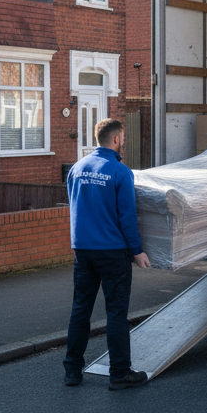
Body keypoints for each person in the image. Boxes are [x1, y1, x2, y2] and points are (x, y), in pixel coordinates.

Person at [64, 118, 152, 390]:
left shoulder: (76, 168)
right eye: (123, 137)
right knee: (116, 313)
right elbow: (127, 217)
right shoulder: (120, 172)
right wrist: (137, 251)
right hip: (112, 252)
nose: (123, 141)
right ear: (115, 139)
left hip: (83, 250)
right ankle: (120, 373)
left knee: (81, 310)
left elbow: (75, 205)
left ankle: (72, 371)